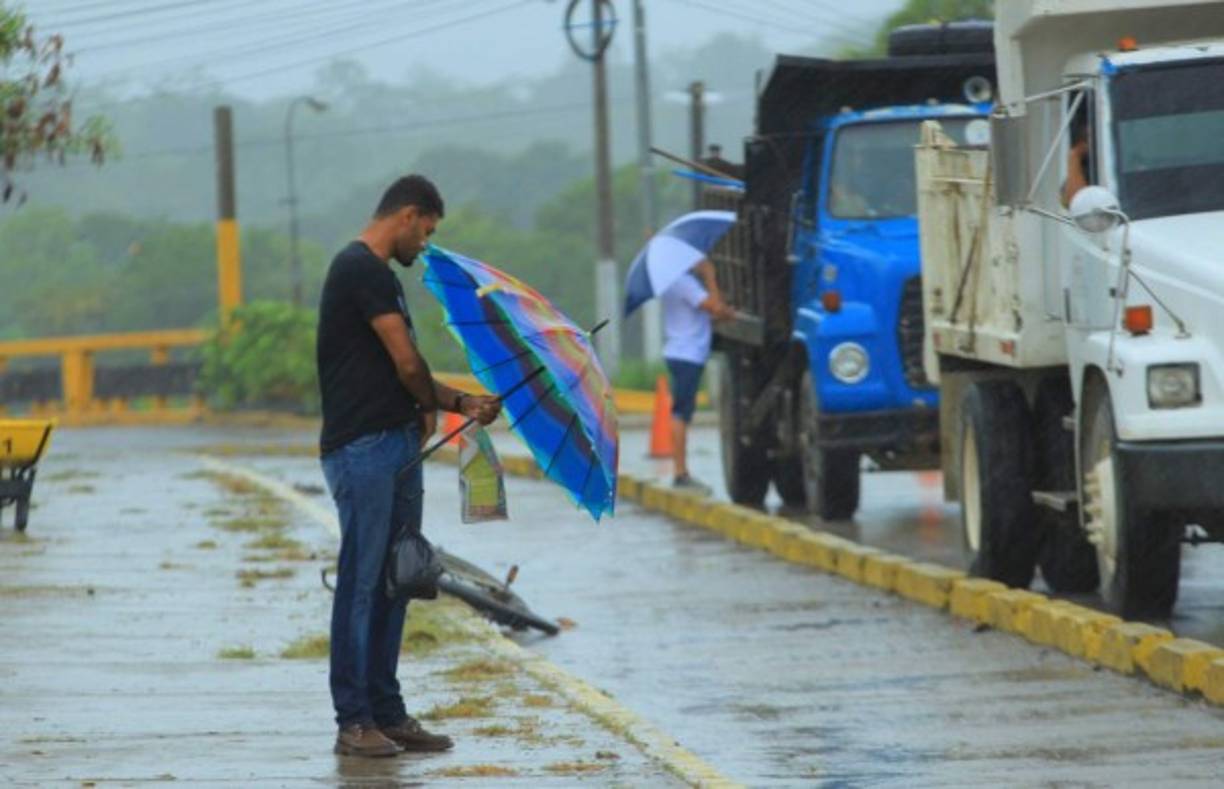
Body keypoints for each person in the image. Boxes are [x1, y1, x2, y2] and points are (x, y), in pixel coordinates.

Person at [316, 175, 501, 758]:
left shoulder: (383, 278)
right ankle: (354, 721)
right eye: (427, 230)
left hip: (395, 445)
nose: (424, 244)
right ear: (408, 215)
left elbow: (407, 369)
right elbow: (405, 360)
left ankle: (388, 714)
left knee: (398, 578)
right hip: (364, 449)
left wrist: (463, 402)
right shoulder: (360, 269)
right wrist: (432, 402)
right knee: (364, 582)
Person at [661, 258, 735, 494]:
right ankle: (681, 473)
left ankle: (681, 471)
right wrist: (709, 274)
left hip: (679, 351)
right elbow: (714, 306)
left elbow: (704, 312)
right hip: (687, 354)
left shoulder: (671, 282)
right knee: (682, 413)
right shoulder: (684, 283)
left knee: (682, 412)